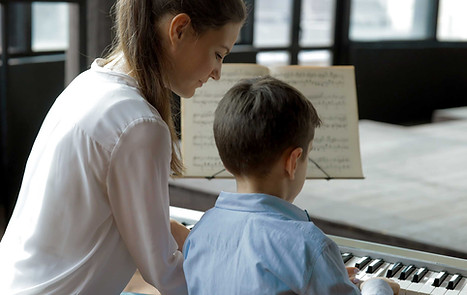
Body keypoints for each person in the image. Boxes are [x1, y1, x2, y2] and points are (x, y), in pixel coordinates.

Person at [0, 0, 246, 294]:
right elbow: (165, 272)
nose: (218, 72)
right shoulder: (139, 124)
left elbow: (126, 212)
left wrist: (195, 237)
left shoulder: (90, 83)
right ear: (179, 29)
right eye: (218, 54)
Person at [182, 76, 400, 295]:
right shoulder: (309, 247)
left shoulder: (200, 233)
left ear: (226, 161)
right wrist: (375, 286)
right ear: (293, 161)